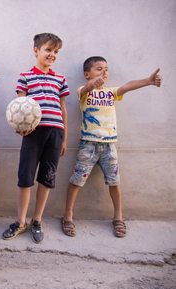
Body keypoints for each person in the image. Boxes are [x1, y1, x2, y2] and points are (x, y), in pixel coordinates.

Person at [61, 56, 163, 238]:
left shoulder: (110, 92)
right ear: (87, 74)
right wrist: (93, 84)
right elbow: (85, 89)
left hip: (109, 146)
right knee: (77, 180)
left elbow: (127, 86)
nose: (104, 72)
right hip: (88, 145)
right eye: (99, 68)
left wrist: (148, 81)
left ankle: (118, 217)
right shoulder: (83, 92)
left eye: (106, 69)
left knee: (114, 182)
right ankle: (68, 215)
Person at [2, 33, 70, 244]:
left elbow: (64, 110)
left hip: (56, 132)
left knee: (46, 179)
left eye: (56, 51)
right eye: (48, 49)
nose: (52, 54)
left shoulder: (60, 79)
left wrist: (65, 138)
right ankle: (21, 221)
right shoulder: (25, 76)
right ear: (36, 51)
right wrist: (20, 127)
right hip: (33, 133)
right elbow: (20, 107)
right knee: (25, 178)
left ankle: (36, 220)